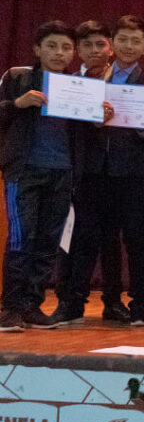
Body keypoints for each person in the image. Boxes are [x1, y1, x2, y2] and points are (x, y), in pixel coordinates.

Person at [53, 15, 144, 327]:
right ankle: (73, 304)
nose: (128, 46)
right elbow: (75, 125)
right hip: (94, 171)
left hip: (134, 172)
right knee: (85, 238)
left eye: (136, 41)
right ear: (113, 43)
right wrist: (93, 119)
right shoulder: (94, 79)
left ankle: (139, 305)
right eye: (123, 39)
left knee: (136, 240)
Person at [0, 22, 86, 331]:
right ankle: (10, 308)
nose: (59, 53)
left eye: (66, 47)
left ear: (73, 52)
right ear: (37, 49)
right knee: (21, 238)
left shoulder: (80, 87)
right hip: (24, 170)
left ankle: (32, 305)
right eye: (52, 46)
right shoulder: (18, 78)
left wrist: (99, 114)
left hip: (63, 171)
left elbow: (86, 131)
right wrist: (17, 104)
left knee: (49, 240)